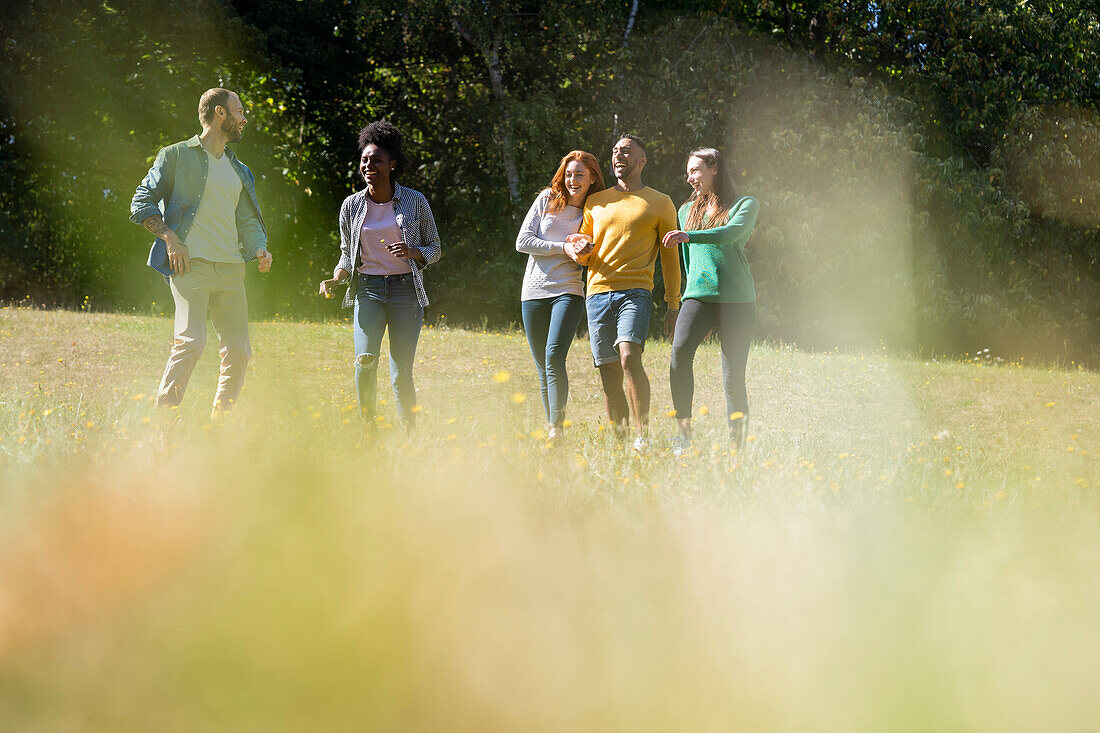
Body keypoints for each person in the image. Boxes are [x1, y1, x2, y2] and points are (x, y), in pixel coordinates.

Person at [129, 87, 273, 415]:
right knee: (191, 341)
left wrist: (260, 250)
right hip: (189, 266)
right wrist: (170, 237)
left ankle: (220, 423)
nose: (243, 118)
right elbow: (141, 201)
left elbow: (249, 223)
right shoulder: (176, 156)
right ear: (220, 113)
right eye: (238, 111)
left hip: (232, 270)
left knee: (239, 351)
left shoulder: (241, 171)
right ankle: (164, 419)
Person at [318, 120, 441, 429]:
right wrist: (336, 278)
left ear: (392, 164)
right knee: (365, 360)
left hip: (405, 291)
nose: (369, 165)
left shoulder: (415, 201)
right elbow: (347, 254)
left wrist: (413, 252)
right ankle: (369, 428)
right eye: (365, 160)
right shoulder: (352, 206)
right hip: (369, 290)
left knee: (401, 372)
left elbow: (435, 248)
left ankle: (409, 435)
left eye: (377, 160)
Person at [565, 135, 680, 450]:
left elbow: (670, 258)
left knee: (629, 356)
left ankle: (642, 436)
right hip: (597, 293)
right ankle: (619, 443)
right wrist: (581, 249)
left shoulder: (660, 202)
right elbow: (582, 247)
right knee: (608, 372)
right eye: (615, 150)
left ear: (642, 160)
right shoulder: (596, 200)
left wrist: (673, 304)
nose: (618, 155)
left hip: (636, 292)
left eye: (626, 151)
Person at [662, 148, 759, 450]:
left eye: (695, 170)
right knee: (679, 354)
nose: (690, 177)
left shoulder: (745, 204)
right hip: (698, 296)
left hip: (737, 300)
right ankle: (683, 434)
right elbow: (689, 261)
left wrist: (690, 235)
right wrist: (685, 292)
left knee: (733, 376)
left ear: (714, 168)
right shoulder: (684, 211)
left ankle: (737, 445)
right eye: (688, 172)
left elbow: (731, 234)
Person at [516, 151, 604, 440]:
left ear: (592, 178)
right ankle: (553, 426)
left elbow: (592, 252)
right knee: (542, 365)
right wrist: (563, 247)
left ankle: (557, 430)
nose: (572, 180)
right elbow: (523, 242)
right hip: (533, 291)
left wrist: (584, 250)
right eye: (568, 174)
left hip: (568, 290)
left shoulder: (595, 211)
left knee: (554, 356)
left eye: (579, 174)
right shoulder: (546, 200)